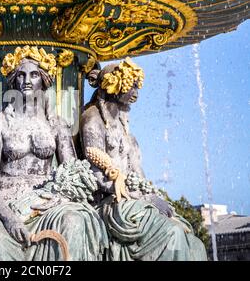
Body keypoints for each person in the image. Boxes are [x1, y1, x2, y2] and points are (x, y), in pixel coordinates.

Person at [0, 46, 108, 261]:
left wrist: (58, 198)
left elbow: (75, 173)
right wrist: (8, 217)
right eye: (21, 75)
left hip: (47, 204)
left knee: (75, 221)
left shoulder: (57, 125)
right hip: (4, 203)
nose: (26, 80)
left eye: (34, 74)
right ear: (13, 80)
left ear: (44, 79)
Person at [80, 58, 207, 261]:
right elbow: (96, 177)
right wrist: (143, 198)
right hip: (112, 202)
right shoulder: (92, 119)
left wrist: (152, 196)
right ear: (115, 86)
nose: (136, 93)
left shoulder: (125, 129)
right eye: (132, 86)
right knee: (171, 235)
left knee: (191, 239)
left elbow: (139, 176)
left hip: (133, 199)